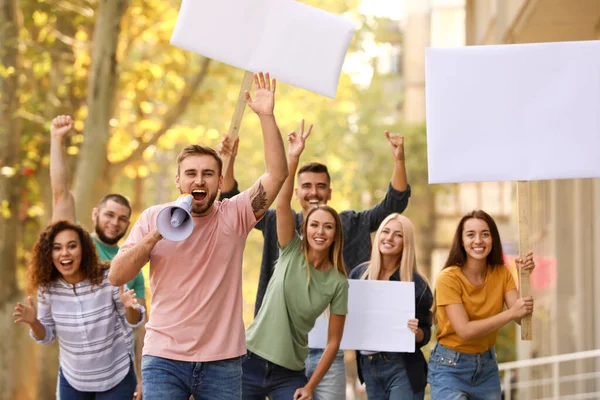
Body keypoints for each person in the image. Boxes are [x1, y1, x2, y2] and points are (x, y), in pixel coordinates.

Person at [108, 72, 288, 400]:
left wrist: (266, 116)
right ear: (179, 181)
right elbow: (117, 274)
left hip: (223, 362)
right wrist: (156, 236)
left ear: (220, 183)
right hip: (163, 358)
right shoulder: (152, 218)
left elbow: (277, 174)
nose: (198, 180)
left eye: (208, 173)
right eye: (191, 173)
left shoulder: (235, 214)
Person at [219, 125, 411, 399]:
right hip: (266, 348)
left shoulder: (348, 226)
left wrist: (399, 160)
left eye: (320, 187)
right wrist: (234, 161)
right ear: (297, 191)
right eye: (306, 186)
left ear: (329, 193)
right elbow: (234, 201)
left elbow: (393, 206)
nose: (313, 193)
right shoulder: (284, 233)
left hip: (320, 356)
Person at [243, 121, 348, 400]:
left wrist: (310, 386)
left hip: (289, 374)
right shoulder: (290, 249)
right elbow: (282, 200)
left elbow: (334, 342)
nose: (320, 232)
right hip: (249, 361)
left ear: (336, 233)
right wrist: (294, 156)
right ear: (306, 228)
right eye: (314, 225)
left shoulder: (338, 282)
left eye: (328, 227)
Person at [50, 115, 147, 399]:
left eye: (122, 219)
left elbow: (139, 324)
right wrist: (57, 139)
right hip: (75, 373)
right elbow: (60, 194)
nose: (115, 222)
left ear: (128, 225)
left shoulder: (131, 265)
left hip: (117, 373)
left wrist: (141, 377)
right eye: (109, 215)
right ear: (95, 214)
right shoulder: (76, 248)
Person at [13, 219, 145, 398]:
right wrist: (34, 322)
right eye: (57, 248)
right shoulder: (47, 289)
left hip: (116, 376)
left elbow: (133, 322)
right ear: (49, 254)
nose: (64, 253)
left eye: (72, 246)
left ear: (84, 249)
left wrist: (130, 307)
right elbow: (47, 336)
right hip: (73, 380)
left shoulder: (108, 278)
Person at [428, 210, 535, 399]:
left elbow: (521, 318)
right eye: (470, 234)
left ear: (493, 239)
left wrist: (523, 277)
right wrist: (510, 314)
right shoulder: (448, 278)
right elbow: (465, 331)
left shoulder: (502, 273)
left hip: (486, 368)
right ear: (461, 241)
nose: (478, 240)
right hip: (449, 367)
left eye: (485, 234)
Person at [349, 213, 433, 399]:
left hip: (402, 366)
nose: (389, 238)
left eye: (398, 235)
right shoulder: (359, 275)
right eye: (385, 232)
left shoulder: (417, 284)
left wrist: (416, 331)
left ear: (406, 243)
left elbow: (425, 333)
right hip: (369, 366)